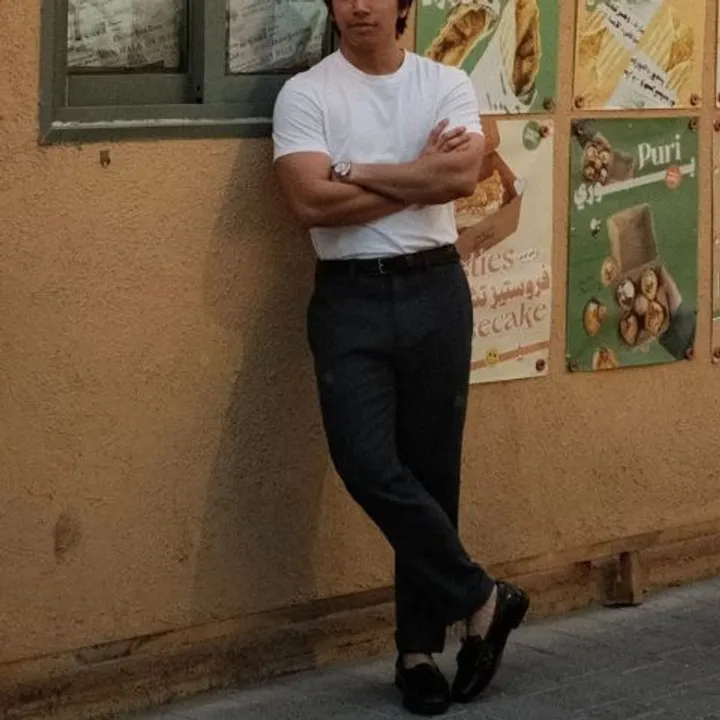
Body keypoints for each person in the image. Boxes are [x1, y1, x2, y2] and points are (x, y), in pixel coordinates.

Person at [271, 0, 529, 715]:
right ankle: (482, 599)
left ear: (404, 7)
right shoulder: (307, 93)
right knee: (364, 461)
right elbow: (310, 203)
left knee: (432, 472)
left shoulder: (443, 84)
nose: (360, 6)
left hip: (434, 291)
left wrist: (356, 172)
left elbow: (458, 181)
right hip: (348, 297)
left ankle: (417, 654)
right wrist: (416, 172)